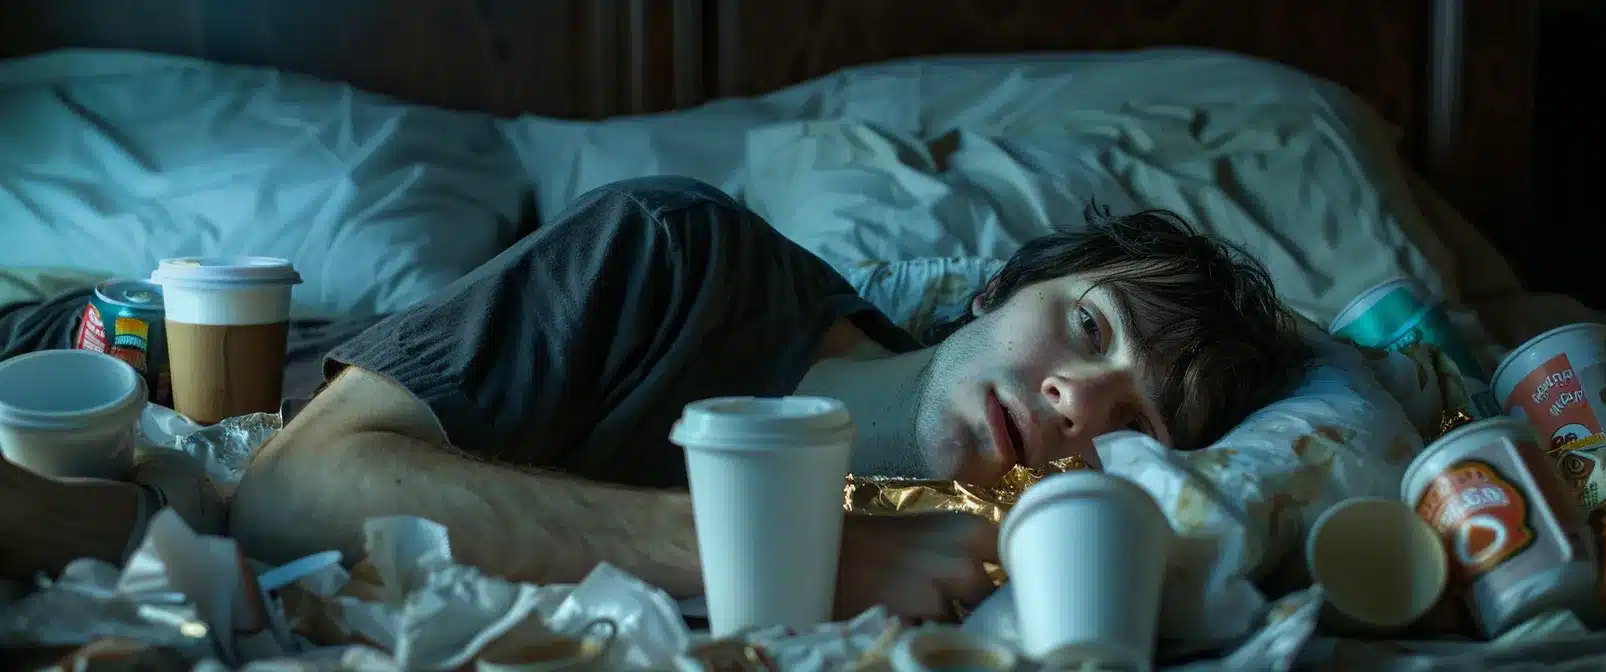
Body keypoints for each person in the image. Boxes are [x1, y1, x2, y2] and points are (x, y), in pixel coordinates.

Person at [1, 176, 1312, 621]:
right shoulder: (678, 256)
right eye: (1089, 328)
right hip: (99, 361)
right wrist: (782, 549)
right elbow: (292, 493)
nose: (1080, 400)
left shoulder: (980, 527)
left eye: (1133, 421)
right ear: (996, 290)